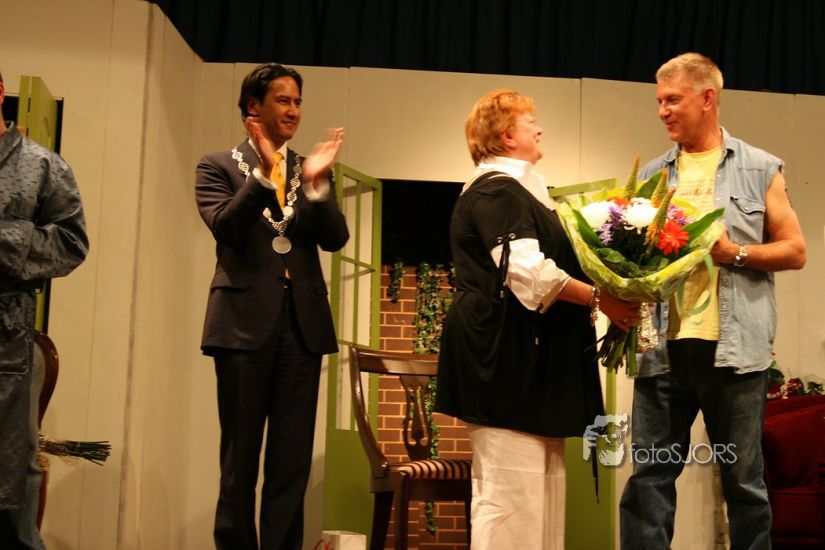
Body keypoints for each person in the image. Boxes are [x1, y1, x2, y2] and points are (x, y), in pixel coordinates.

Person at [435, 88, 639, 550]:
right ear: (507, 136)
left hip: (532, 358)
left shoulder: (524, 192)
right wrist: (601, 299)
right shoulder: (496, 190)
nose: (539, 129)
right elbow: (526, 272)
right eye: (531, 123)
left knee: (541, 495)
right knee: (512, 494)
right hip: (504, 355)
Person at [619, 53, 807, 549]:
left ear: (707, 99)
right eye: (659, 101)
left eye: (672, 100)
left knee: (743, 483)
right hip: (663, 351)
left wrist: (734, 253)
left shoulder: (759, 167)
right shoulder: (651, 175)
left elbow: (795, 250)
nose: (662, 111)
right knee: (649, 479)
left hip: (734, 353)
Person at [195, 62, 348, 550]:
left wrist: (318, 186)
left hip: (301, 327)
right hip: (242, 328)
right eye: (283, 100)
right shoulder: (216, 166)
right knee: (239, 460)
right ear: (252, 108)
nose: (294, 110)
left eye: (298, 101)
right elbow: (227, 227)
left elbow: (334, 238)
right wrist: (262, 175)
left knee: (291, 461)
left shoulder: (309, 169)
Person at [0, 69, 89, 549]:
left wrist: (5, 238)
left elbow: (72, 245)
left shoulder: (41, 166)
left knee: (12, 476)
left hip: (7, 343)